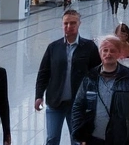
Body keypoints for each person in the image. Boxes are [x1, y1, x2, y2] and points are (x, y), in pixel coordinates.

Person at [35, 8, 102, 145]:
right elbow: (43, 73)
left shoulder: (89, 47)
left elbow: (96, 74)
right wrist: (39, 95)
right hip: (55, 102)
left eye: (72, 23)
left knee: (77, 139)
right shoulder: (53, 48)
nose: (69, 27)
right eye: (66, 23)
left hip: (78, 104)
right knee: (52, 139)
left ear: (79, 24)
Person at [71, 36, 129, 145]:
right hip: (93, 139)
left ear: (119, 54)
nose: (108, 54)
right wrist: (80, 135)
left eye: (112, 51)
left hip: (119, 139)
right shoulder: (90, 78)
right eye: (105, 50)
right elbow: (78, 105)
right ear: (100, 53)